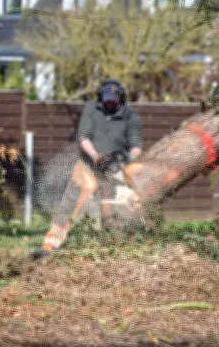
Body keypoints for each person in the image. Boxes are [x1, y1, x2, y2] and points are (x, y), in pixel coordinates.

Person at [40, 79, 142, 252]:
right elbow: (83, 137)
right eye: (106, 98)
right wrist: (96, 156)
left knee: (123, 203)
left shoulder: (131, 117)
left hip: (116, 169)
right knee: (80, 193)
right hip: (88, 164)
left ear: (121, 98)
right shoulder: (91, 108)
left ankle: (103, 244)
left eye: (113, 98)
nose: (109, 102)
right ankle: (52, 241)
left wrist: (126, 160)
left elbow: (136, 147)